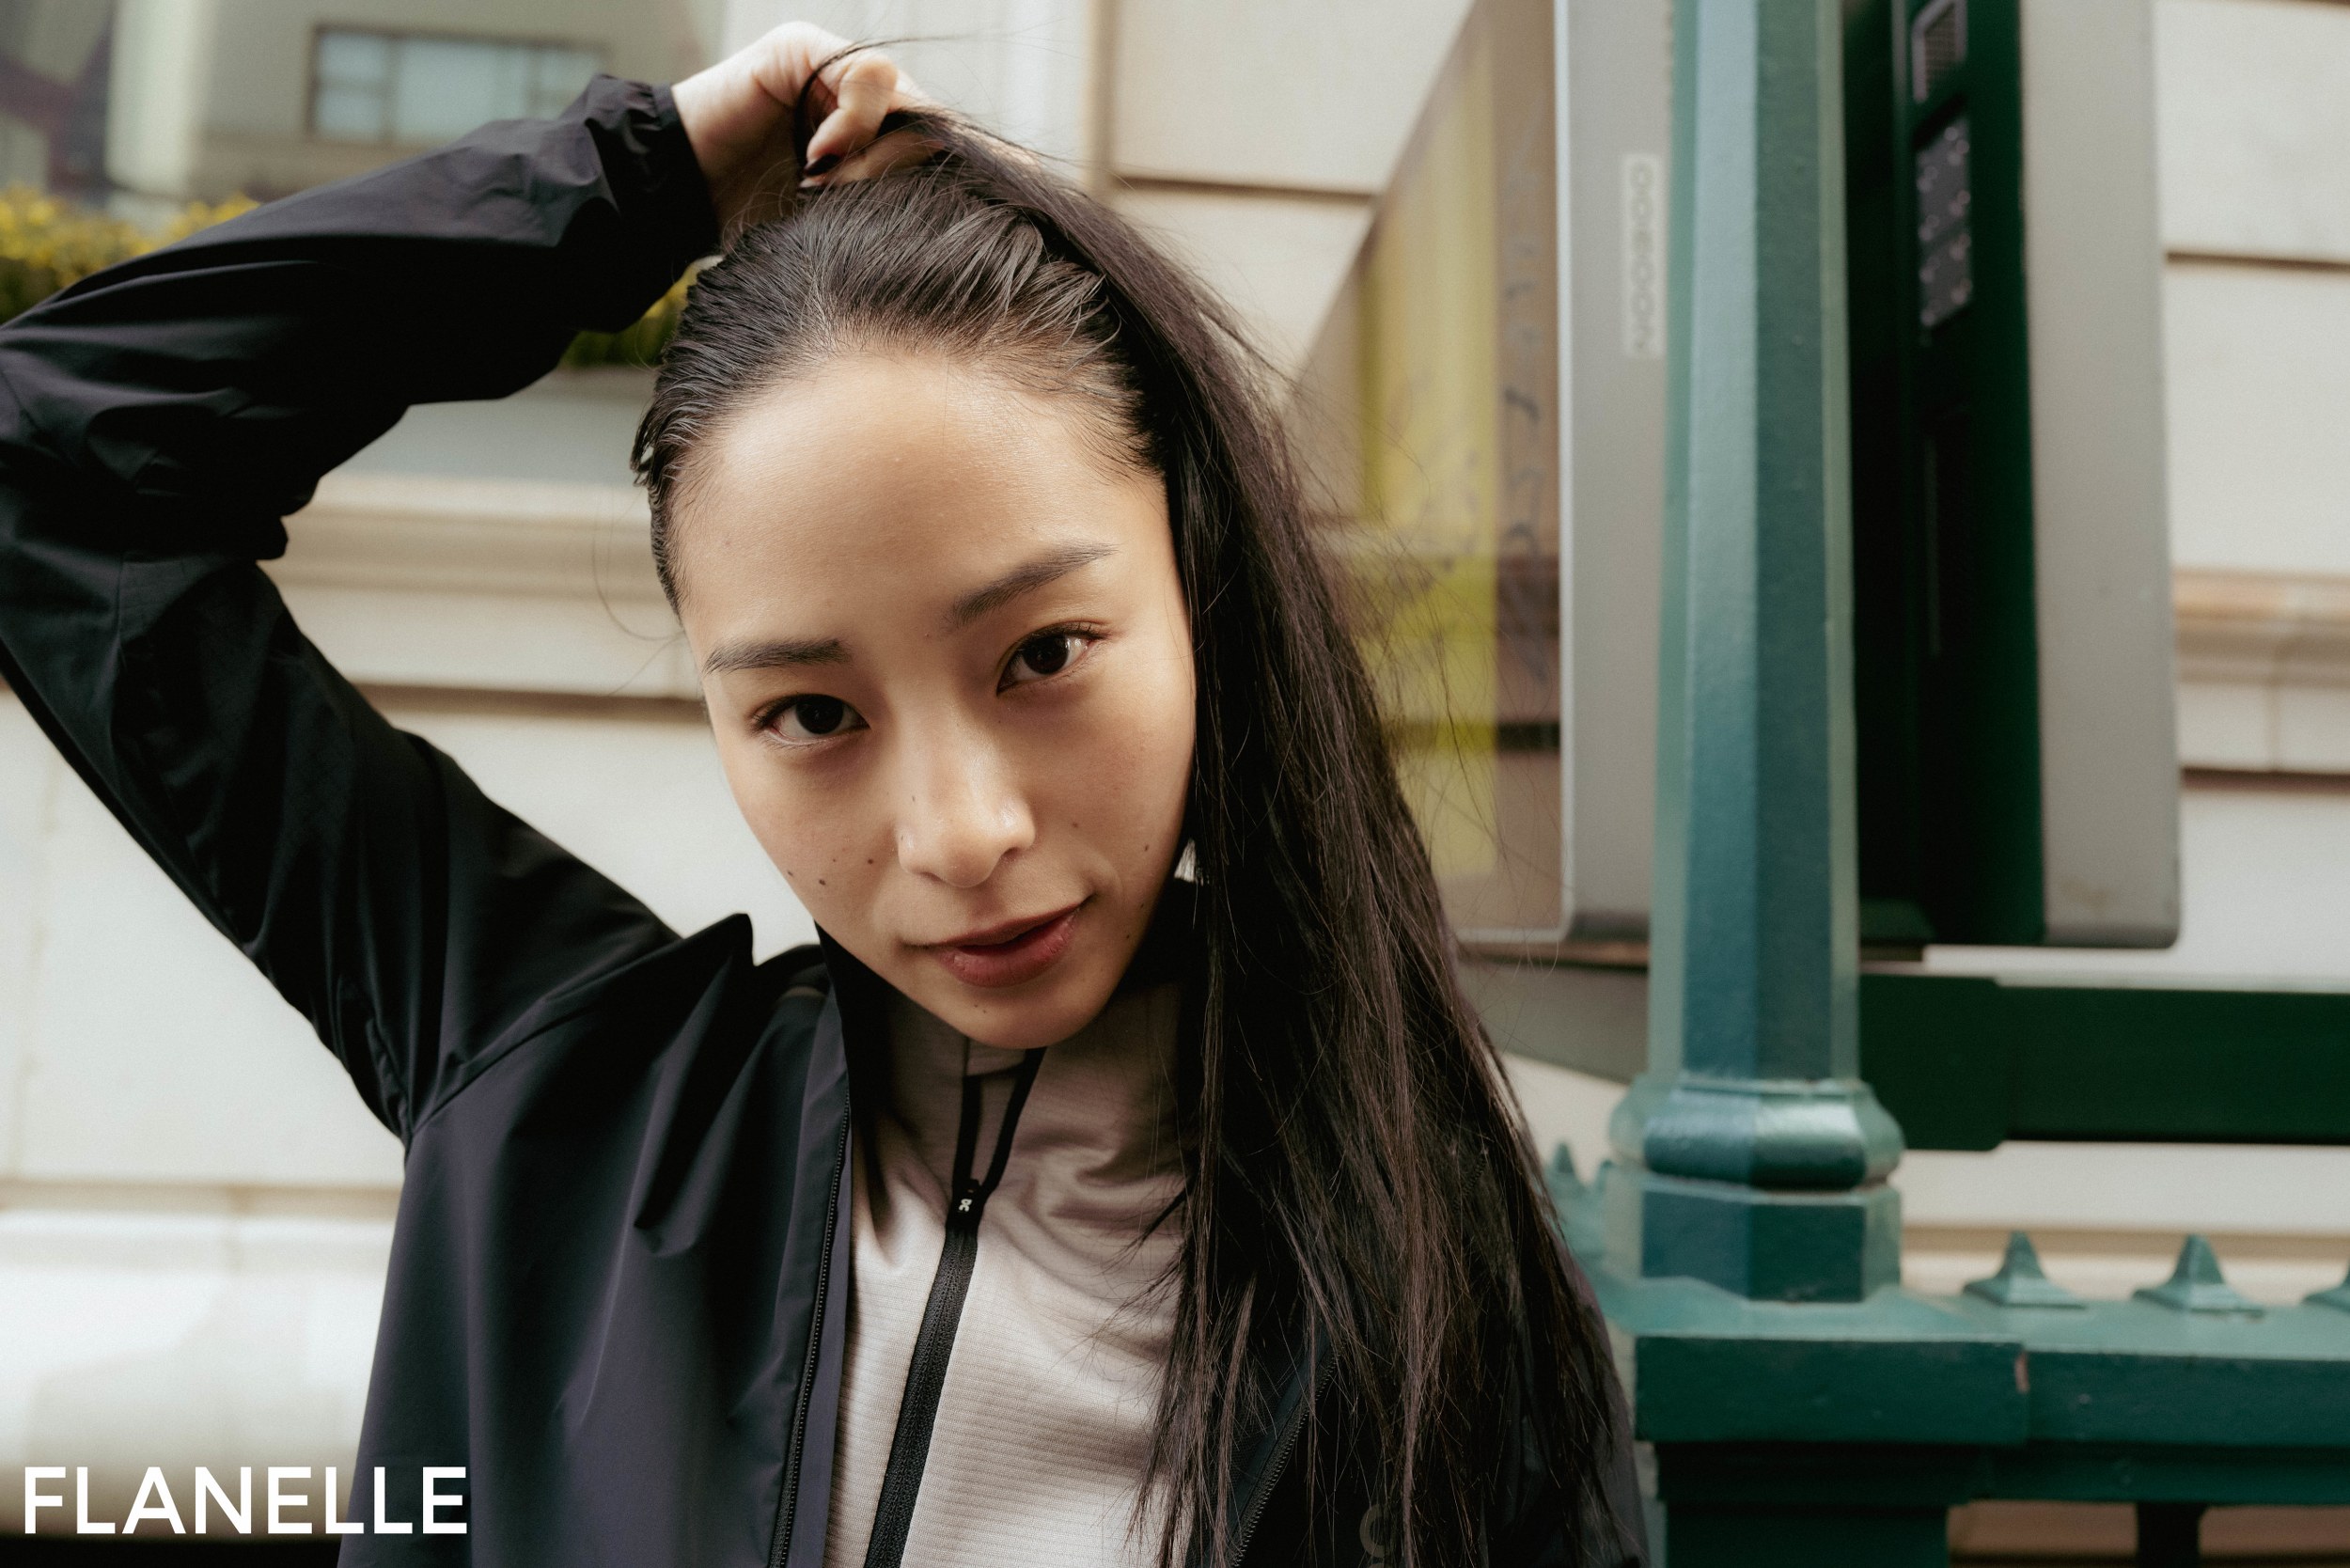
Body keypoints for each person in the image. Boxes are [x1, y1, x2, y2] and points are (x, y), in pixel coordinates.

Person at [0, 23, 1646, 1568]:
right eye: (809, 709)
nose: (960, 837)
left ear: (1201, 593)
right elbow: (46, 462)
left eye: (1042, 654)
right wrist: (638, 182)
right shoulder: (554, 1085)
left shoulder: (1433, 1255)